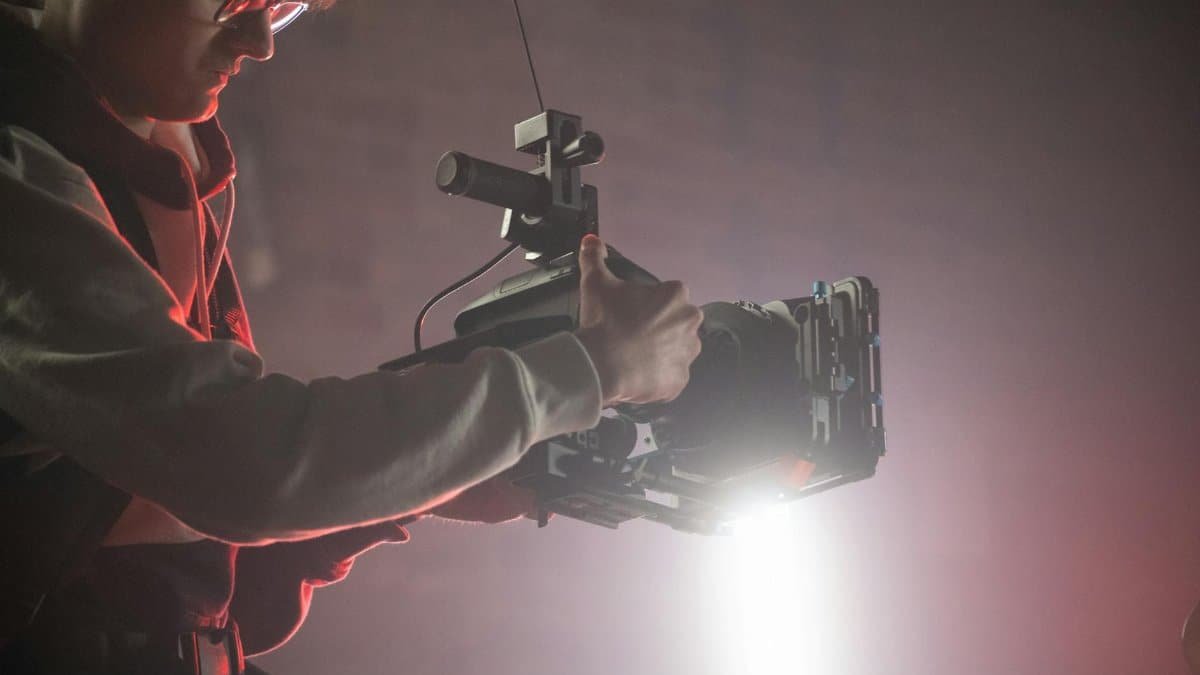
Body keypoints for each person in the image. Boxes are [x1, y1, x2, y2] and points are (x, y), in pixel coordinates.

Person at [0, 0, 704, 672]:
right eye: (236, 2)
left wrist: (422, 479)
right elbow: (245, 467)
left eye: (283, 8)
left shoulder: (153, 158)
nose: (260, 43)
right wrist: (585, 371)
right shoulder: (22, 182)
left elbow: (197, 552)